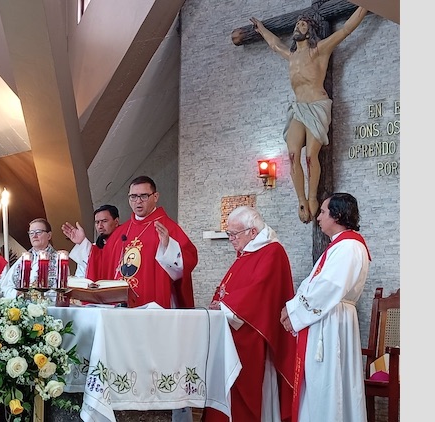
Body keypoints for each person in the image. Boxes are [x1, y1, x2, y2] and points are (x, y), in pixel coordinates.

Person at [251, 5, 368, 223]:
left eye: (303, 24)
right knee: (292, 155)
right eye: (297, 24)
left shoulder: (319, 50)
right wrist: (261, 28)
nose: (298, 27)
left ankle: (312, 197)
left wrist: (364, 7)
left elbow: (346, 30)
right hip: (298, 107)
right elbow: (275, 44)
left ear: (310, 31)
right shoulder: (292, 55)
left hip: (316, 105)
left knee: (309, 156)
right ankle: (301, 200)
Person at [280, 193, 371, 421]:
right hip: (326, 319)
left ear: (337, 215)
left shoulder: (348, 247)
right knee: (323, 383)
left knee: (328, 383)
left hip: (331, 322)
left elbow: (327, 287)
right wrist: (292, 309)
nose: (318, 217)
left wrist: (293, 312)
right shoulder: (340, 246)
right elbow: (312, 284)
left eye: (322, 212)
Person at [202, 206, 296, 422]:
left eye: (234, 234)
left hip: (256, 333)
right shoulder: (247, 253)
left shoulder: (273, 251)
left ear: (252, 232)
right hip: (234, 330)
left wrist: (225, 307)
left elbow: (261, 291)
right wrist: (219, 304)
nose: (231, 239)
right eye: (229, 233)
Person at [62, 175, 198, 309]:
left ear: (155, 197)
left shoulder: (167, 228)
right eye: (133, 196)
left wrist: (168, 247)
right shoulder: (122, 231)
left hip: (153, 303)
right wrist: (83, 243)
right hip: (121, 304)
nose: (138, 201)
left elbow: (189, 260)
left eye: (143, 196)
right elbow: (103, 261)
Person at [0, 218, 63, 292]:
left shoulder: (58, 260)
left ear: (49, 236)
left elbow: (61, 289)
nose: (34, 236)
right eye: (31, 233)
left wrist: (36, 295)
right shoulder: (23, 259)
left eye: (38, 232)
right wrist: (17, 293)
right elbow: (5, 286)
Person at [65, 204, 121, 277]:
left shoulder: (125, 245)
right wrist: (82, 242)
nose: (100, 226)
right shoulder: (92, 249)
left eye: (104, 221)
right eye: (97, 222)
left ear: (116, 222)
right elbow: (81, 277)